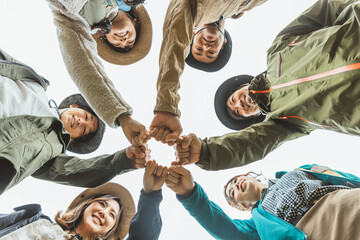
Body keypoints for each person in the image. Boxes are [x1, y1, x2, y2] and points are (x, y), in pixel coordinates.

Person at [175, 0, 360, 170]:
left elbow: (326, 10)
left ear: (240, 85)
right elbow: (251, 144)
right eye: (239, 112)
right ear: (253, 117)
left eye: (233, 100)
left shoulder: (277, 51)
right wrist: (208, 152)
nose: (240, 104)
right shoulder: (282, 121)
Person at [0, 48, 148, 195]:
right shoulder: (37, 83)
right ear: (75, 106)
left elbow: (81, 171)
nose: (81, 122)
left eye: (84, 130)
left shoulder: (52, 150)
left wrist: (122, 160)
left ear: (73, 140)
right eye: (86, 117)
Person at [150, 0, 267, 145]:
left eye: (198, 49)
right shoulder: (242, 7)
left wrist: (166, 105)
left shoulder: (194, 12)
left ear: (191, 35)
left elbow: (175, 45)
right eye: (211, 53)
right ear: (222, 43)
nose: (206, 47)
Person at [45, 0, 153, 146]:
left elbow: (83, 66)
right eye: (130, 42)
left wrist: (123, 117)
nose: (123, 41)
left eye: (117, 45)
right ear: (135, 23)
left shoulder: (75, 21)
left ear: (104, 36)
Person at [166, 163, 360, 239]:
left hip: (341, 201)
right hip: (313, 231)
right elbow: (221, 226)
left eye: (235, 181)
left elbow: (338, 176)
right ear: (241, 206)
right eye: (232, 194)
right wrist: (190, 194)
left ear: (250, 176)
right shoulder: (257, 224)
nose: (235, 185)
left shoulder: (297, 170)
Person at [0, 160, 168, 239]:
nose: (103, 213)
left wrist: (151, 194)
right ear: (85, 206)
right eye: (102, 204)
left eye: (112, 216)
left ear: (111, 232)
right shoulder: (35, 219)